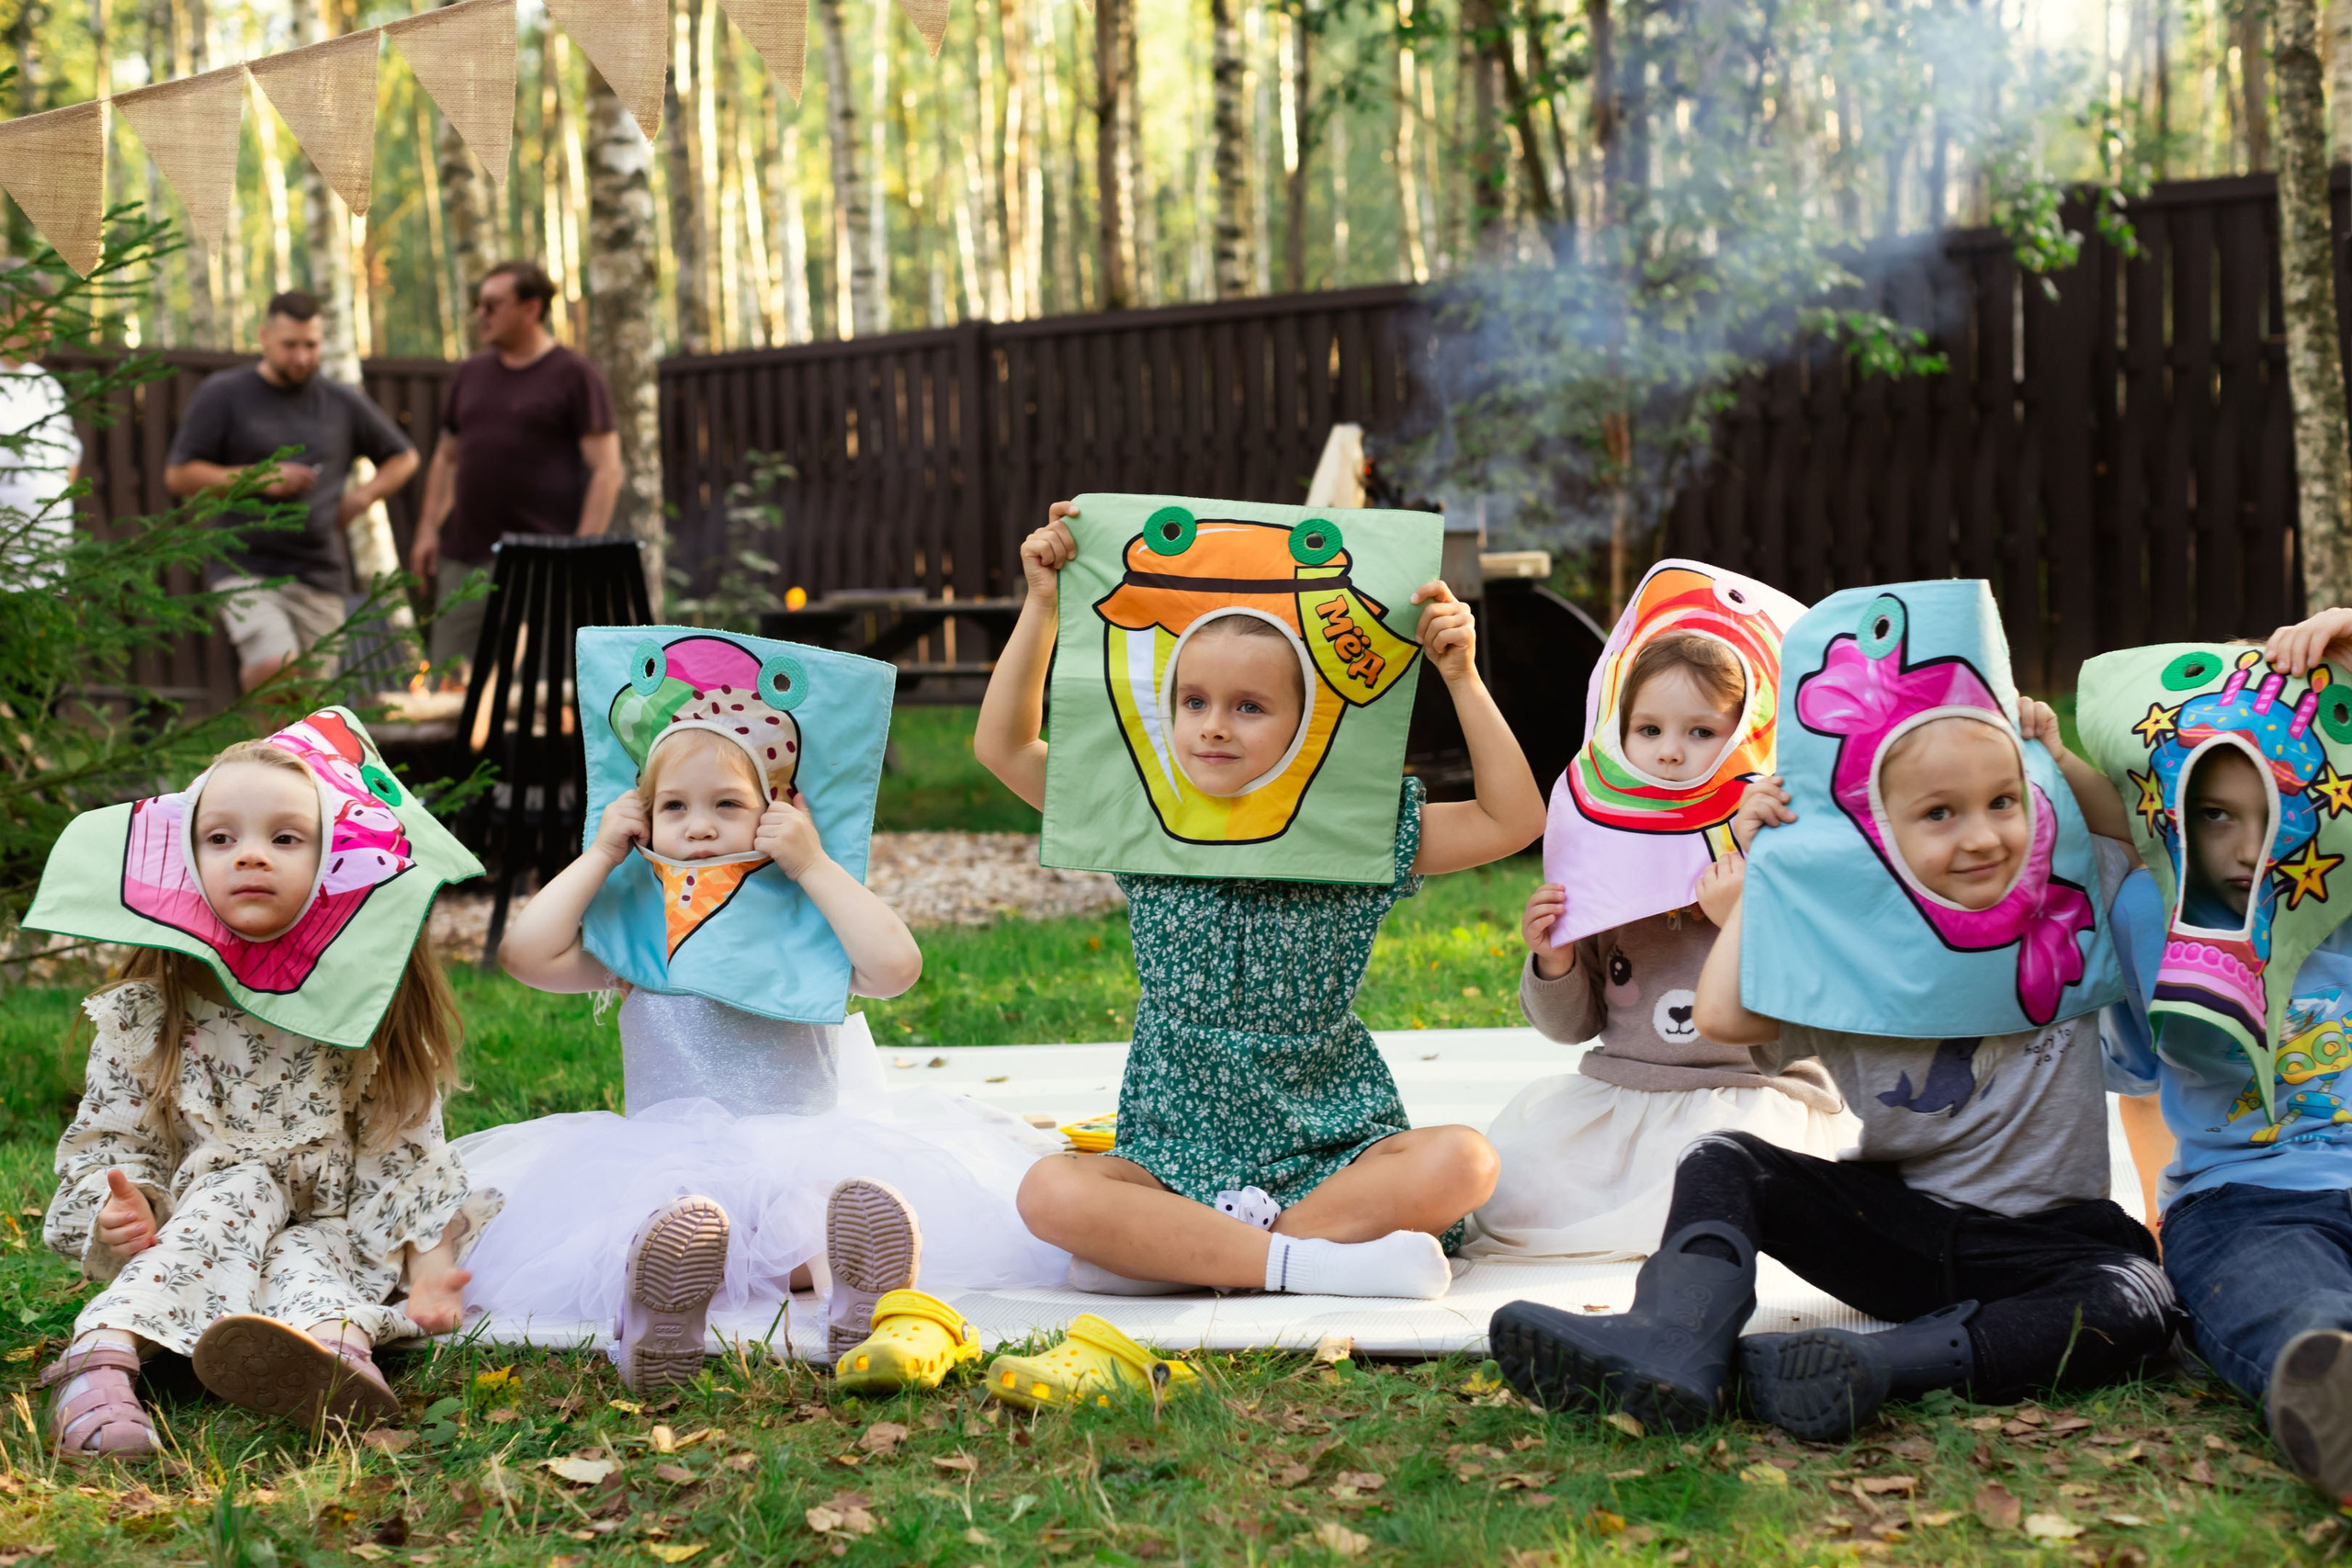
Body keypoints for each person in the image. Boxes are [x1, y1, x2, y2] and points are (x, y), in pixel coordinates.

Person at [1490, 615, 2171, 1442]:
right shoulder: (1844, 943)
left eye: (2002, 802)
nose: (1982, 833)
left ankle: (1881, 1366)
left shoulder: (2066, 904)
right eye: (1939, 814)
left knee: (2136, 1299)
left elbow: (2118, 835)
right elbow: (1724, 1017)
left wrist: (2056, 760)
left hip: (2048, 1242)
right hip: (1899, 1229)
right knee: (1723, 1159)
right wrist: (1757, 892)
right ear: (1875, 832)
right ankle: (1672, 1342)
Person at [976, 502, 1543, 1314]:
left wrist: (1460, 676)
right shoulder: (1138, 817)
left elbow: (1513, 820)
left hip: (1333, 1148)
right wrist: (1042, 605)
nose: (1214, 727)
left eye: (1249, 706)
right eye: (1194, 702)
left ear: (1308, 722)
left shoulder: (1359, 831)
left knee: (1466, 1160)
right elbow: (1002, 746)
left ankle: (1186, 1252)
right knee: (1047, 1192)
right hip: (1173, 1153)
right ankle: (1306, 1263)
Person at [452, 712, 1067, 1395]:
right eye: (674, 806)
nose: (701, 825)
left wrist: (813, 863)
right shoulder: (638, 929)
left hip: (796, 1149)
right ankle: (667, 1308)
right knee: (668, 1220)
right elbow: (524, 952)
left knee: (815, 1211)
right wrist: (601, 853)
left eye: (728, 804)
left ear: (776, 811)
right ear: (642, 817)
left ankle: (855, 1296)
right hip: (668, 1163)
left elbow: (897, 968)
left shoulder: (806, 921)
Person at [38, 737, 496, 1457]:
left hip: (324, 1223)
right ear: (187, 864)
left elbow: (405, 1154)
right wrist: (118, 1206)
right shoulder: (150, 1012)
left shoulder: (364, 1018)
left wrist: (429, 1271)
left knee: (310, 1260)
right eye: (220, 838)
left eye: (285, 837)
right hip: (194, 1223)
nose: (249, 854)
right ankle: (100, 1358)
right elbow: (114, 1141)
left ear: (335, 865)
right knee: (237, 1194)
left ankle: (331, 1356)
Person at [1466, 630, 1851, 1263]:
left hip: (1751, 1093)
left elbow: (1807, 1020)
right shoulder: (1602, 853)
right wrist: (1555, 957)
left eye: (1701, 732)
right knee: (1523, 1179)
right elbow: (1572, 1026)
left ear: (1745, 736)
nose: (1671, 753)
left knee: (1717, 1168)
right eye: (1649, 730)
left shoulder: (1779, 843)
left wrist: (1740, 919)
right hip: (1629, 1093)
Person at [2096, 606, 2352, 1507]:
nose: (2248, 848)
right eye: (2216, 817)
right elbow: (2135, 1084)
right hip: (2243, 1203)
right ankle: (2333, 1399)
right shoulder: (2145, 915)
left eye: (2274, 814)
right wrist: (2165, 1228)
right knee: (2283, 1302)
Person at [164, 291, 419, 691]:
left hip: (319, 573)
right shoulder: (224, 394)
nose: (301, 357)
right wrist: (259, 478)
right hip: (244, 567)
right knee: (274, 667)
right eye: (290, 345)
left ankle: (270, 754)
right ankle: (266, 752)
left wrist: (359, 499)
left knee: (306, 705)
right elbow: (179, 476)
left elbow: (405, 457)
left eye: (311, 345)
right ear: (264, 337)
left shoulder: (341, 402)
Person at [409, 262, 624, 675]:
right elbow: (447, 458)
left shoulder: (576, 375)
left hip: (543, 566)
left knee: (540, 695)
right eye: (478, 305)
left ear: (531, 309)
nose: (481, 315)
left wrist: (579, 554)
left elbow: (608, 471)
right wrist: (427, 529)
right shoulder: (470, 374)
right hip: (464, 561)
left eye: (492, 304)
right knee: (447, 689)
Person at [0, 257, 81, 584]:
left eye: (50, 320)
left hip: (46, 577)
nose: (46, 332)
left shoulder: (47, 386)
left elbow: (70, 462)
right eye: (35, 320)